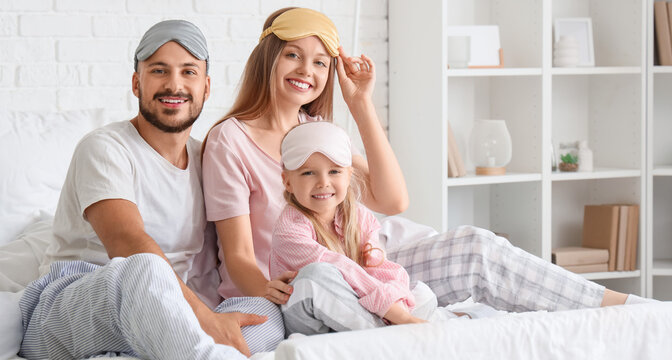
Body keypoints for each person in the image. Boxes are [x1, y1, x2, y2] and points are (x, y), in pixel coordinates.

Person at [202, 6, 650, 334]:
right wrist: (266, 289)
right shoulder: (231, 140)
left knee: (476, 247)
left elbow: (392, 200)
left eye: (320, 62)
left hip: (364, 272)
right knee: (330, 281)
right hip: (295, 286)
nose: (307, 70)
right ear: (268, 58)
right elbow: (239, 256)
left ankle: (626, 307)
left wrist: (360, 105)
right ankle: (416, 331)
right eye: (292, 56)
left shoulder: (316, 132)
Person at [19, 20, 283, 360]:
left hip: (169, 316)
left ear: (206, 86)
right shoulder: (105, 148)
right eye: (159, 70)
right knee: (145, 268)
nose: (174, 85)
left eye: (188, 72)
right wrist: (205, 320)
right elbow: (128, 244)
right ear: (136, 82)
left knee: (267, 310)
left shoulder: (211, 158)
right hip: (73, 305)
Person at [271, 122, 501, 334]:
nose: (323, 182)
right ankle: (391, 332)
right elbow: (340, 267)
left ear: (349, 175)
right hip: (310, 316)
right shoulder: (289, 229)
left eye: (334, 171)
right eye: (308, 172)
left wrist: (396, 302)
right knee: (316, 276)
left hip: (354, 310)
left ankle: (392, 325)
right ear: (287, 181)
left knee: (418, 292)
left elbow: (380, 268)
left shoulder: (359, 216)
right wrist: (398, 315)